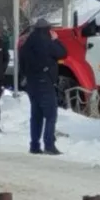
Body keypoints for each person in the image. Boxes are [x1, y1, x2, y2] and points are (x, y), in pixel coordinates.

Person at [19, 18, 67, 154]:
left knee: (36, 115)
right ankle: (49, 145)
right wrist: (56, 40)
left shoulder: (27, 43)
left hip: (32, 84)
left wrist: (28, 75)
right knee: (51, 115)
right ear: (47, 29)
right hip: (45, 82)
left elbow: (21, 63)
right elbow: (63, 52)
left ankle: (34, 145)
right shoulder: (47, 42)